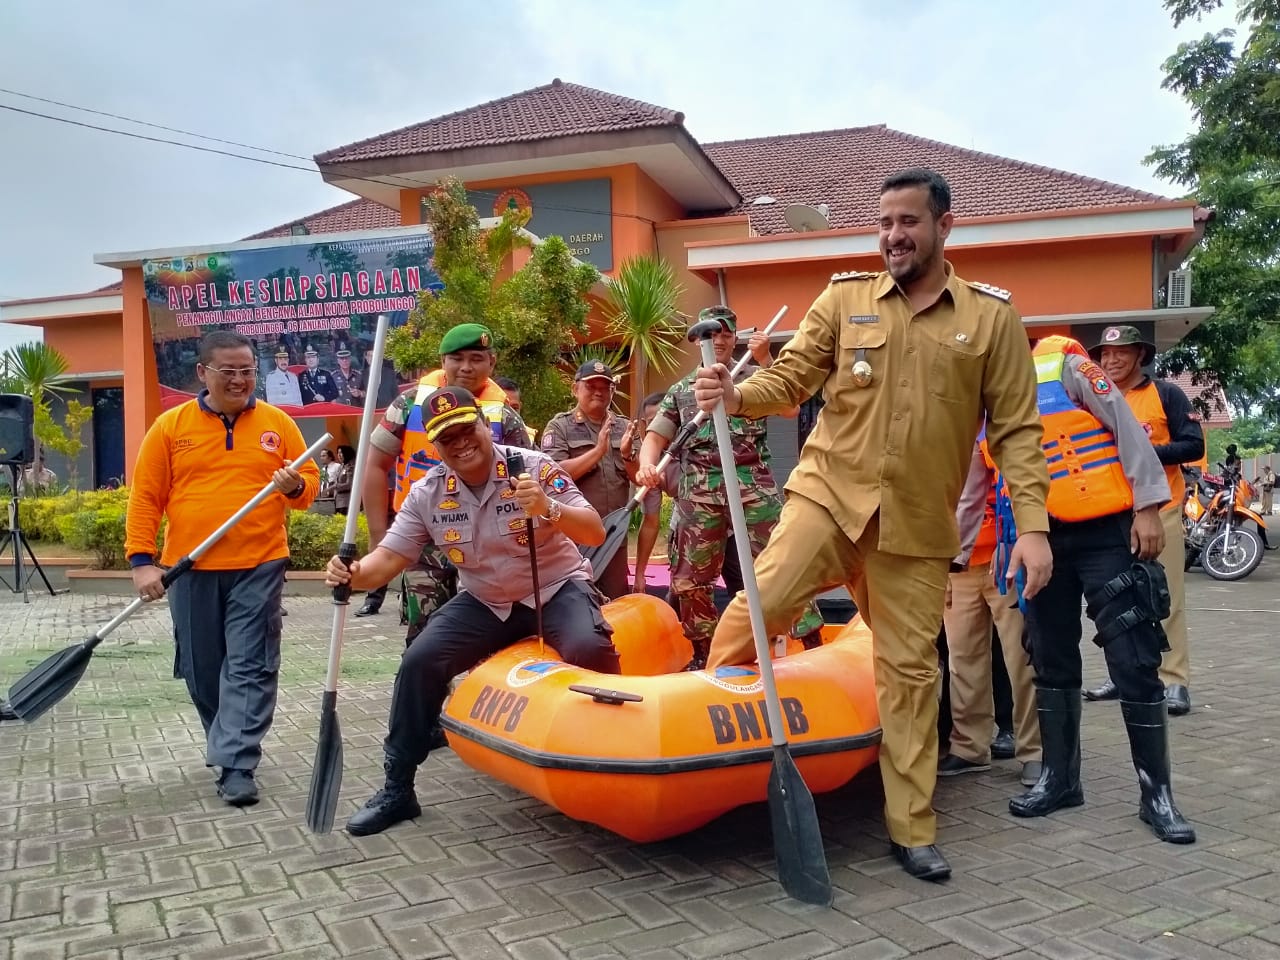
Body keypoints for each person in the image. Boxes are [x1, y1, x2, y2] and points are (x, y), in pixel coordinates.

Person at [689, 168, 1053, 882]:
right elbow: (789, 380)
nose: (893, 235)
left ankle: (910, 826)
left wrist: (1034, 525)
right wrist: (734, 391)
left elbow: (1017, 431)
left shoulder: (990, 320)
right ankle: (715, 760)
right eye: (884, 222)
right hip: (830, 495)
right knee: (759, 607)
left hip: (915, 528)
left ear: (945, 226)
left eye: (908, 222)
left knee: (912, 674)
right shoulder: (844, 298)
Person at [325, 385, 620, 835]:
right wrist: (352, 574)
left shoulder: (535, 468)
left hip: (555, 588)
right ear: (436, 445)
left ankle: (608, 764)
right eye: (447, 438)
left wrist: (549, 508)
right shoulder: (426, 493)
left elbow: (596, 531)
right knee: (419, 661)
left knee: (588, 647)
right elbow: (387, 560)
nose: (461, 442)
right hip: (486, 600)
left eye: (467, 429)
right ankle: (397, 787)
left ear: (485, 424)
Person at [1001, 335, 1195, 845]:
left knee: (1134, 658)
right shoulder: (980, 391)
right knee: (1049, 658)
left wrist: (1149, 505)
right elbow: (982, 470)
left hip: (1104, 530)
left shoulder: (1066, 368)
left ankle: (1157, 795)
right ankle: (1061, 781)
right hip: (1038, 537)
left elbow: (1128, 428)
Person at [124, 331, 319, 806]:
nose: (239, 379)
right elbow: (146, 497)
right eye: (228, 371)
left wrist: (293, 485)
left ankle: (237, 762)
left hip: (260, 561)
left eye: (247, 370)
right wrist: (141, 562)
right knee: (202, 667)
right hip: (189, 566)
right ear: (202, 373)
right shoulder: (170, 428)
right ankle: (228, 737)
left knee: (251, 664)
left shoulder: (277, 424)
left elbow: (309, 488)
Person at [638, 308, 823, 669]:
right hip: (700, 494)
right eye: (711, 334)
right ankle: (704, 654)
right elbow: (655, 436)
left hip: (752, 486)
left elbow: (790, 407)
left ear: (735, 338)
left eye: (726, 334)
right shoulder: (680, 391)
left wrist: (766, 359)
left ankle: (813, 642)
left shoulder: (752, 378)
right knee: (691, 579)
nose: (719, 341)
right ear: (698, 341)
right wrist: (647, 464)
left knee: (785, 564)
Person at [357, 323, 532, 629]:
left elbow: (527, 478)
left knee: (490, 632)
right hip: (422, 537)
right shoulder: (409, 405)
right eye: (457, 358)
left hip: (487, 540)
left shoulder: (505, 416)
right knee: (424, 633)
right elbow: (374, 465)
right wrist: (377, 535)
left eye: (476, 359)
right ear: (442, 362)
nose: (466, 367)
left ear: (492, 363)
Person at [1083, 325, 1203, 717]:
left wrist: (1145, 452)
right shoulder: (1094, 399)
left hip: (1161, 508)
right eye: (1104, 355)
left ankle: (1174, 681)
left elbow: (1193, 445)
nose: (1111, 361)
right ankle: (1122, 675)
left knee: (1164, 597)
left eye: (1121, 353)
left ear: (1140, 356)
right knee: (1115, 601)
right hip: (1111, 514)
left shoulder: (1164, 393)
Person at [941, 438, 1042, 787]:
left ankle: (1035, 751)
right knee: (963, 660)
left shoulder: (1004, 422)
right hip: (957, 563)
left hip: (1009, 557)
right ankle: (969, 747)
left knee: (1022, 658)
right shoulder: (935, 422)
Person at [541, 361, 640, 600]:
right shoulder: (560, 427)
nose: (598, 391)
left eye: (604, 387)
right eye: (591, 386)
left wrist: (627, 454)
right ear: (575, 389)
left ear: (612, 391)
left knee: (615, 602)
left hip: (613, 538)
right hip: (572, 540)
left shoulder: (624, 427)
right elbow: (552, 478)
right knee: (576, 601)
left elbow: (639, 477)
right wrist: (597, 452)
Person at [497, 376, 539, 444]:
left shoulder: (529, 440)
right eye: (505, 409)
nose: (511, 414)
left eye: (514, 408)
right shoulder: (480, 437)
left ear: (520, 407)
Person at [333, 444, 357, 516]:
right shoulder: (341, 467)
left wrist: (336, 487)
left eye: (341, 453)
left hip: (347, 502)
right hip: (338, 503)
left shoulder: (351, 467)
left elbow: (350, 485)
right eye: (338, 453)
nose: (339, 455)